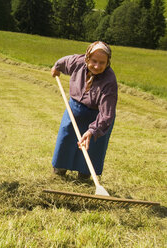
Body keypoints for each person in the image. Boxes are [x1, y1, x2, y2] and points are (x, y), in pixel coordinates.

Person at [50, 41, 117, 180]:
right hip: (74, 110)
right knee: (66, 139)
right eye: (94, 61)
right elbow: (63, 62)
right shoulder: (77, 62)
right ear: (87, 58)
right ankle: (59, 173)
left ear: (108, 63)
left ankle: (84, 178)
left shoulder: (109, 81)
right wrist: (56, 68)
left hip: (98, 116)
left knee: (91, 148)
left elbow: (106, 114)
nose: (97, 66)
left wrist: (92, 130)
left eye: (102, 63)